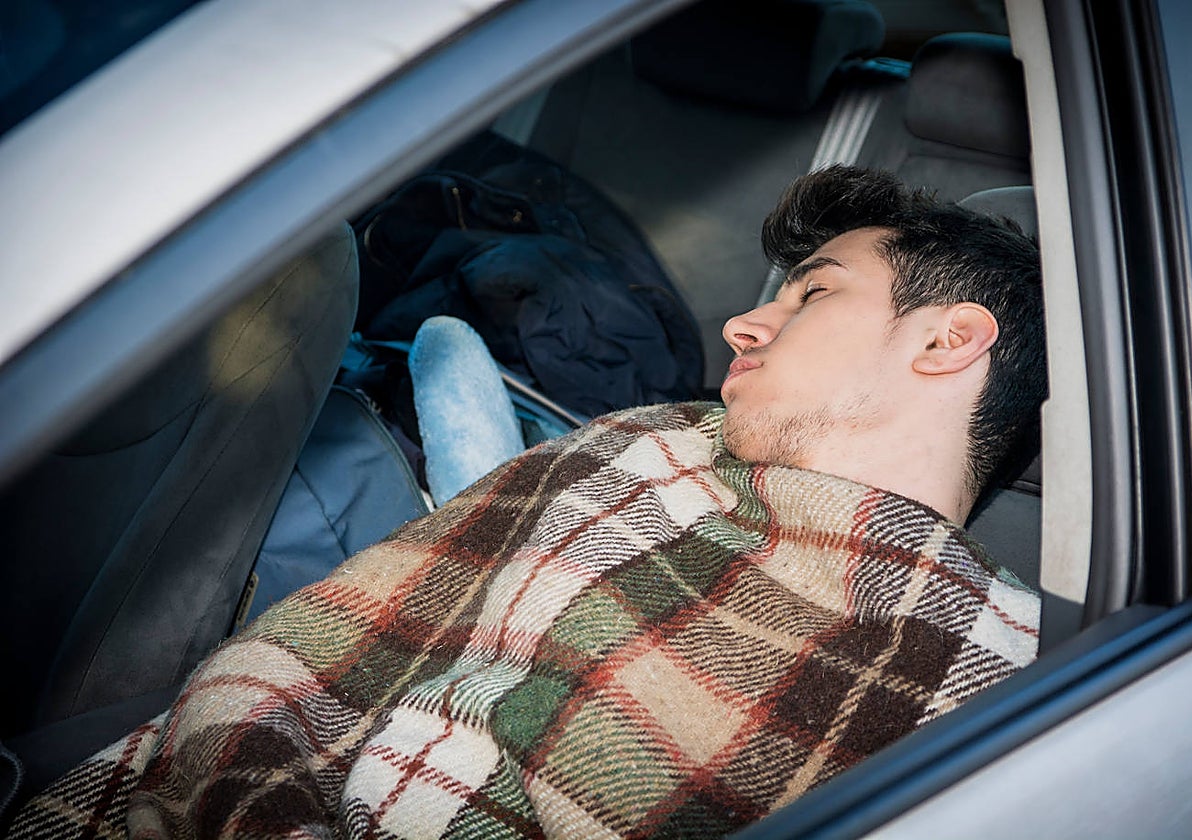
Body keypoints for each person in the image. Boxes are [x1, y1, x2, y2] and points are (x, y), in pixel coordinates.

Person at [10, 166, 1046, 840]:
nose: (740, 323)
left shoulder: (997, 683)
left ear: (946, 341)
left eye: (811, 293)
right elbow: (317, 649)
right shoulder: (641, 442)